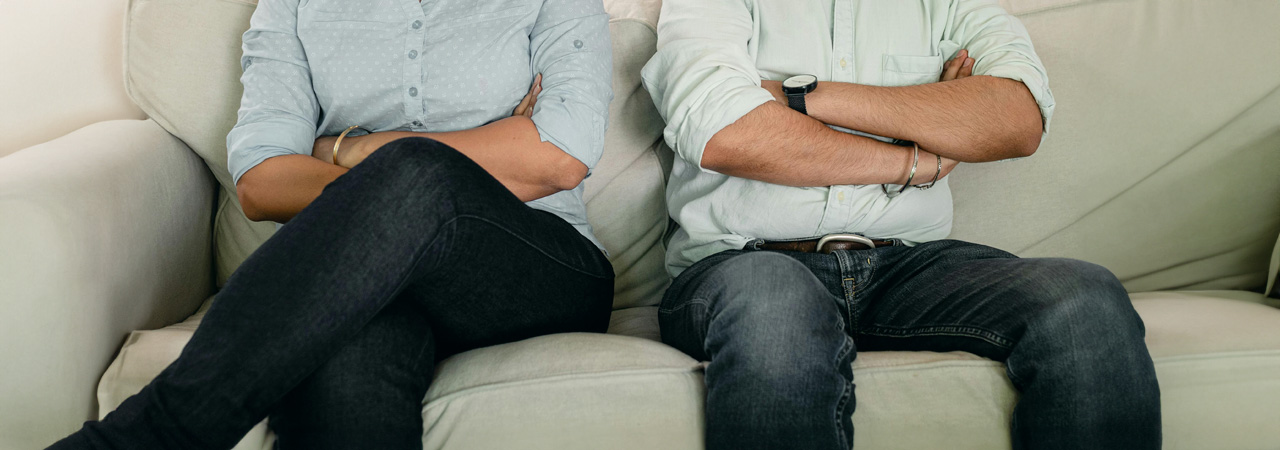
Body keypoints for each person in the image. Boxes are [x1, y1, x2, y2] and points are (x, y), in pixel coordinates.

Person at [48, 0, 613, 448]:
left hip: (535, 268)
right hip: (358, 285)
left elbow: (558, 156)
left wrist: (342, 150)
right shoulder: (294, 4)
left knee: (419, 174)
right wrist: (483, 152)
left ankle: (163, 431)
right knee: (344, 363)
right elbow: (262, 181)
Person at [641, 0, 1160, 449]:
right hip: (745, 264)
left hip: (906, 266)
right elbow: (726, 134)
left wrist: (797, 95)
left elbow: (1017, 118)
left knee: (1082, 295)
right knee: (776, 305)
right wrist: (920, 159)